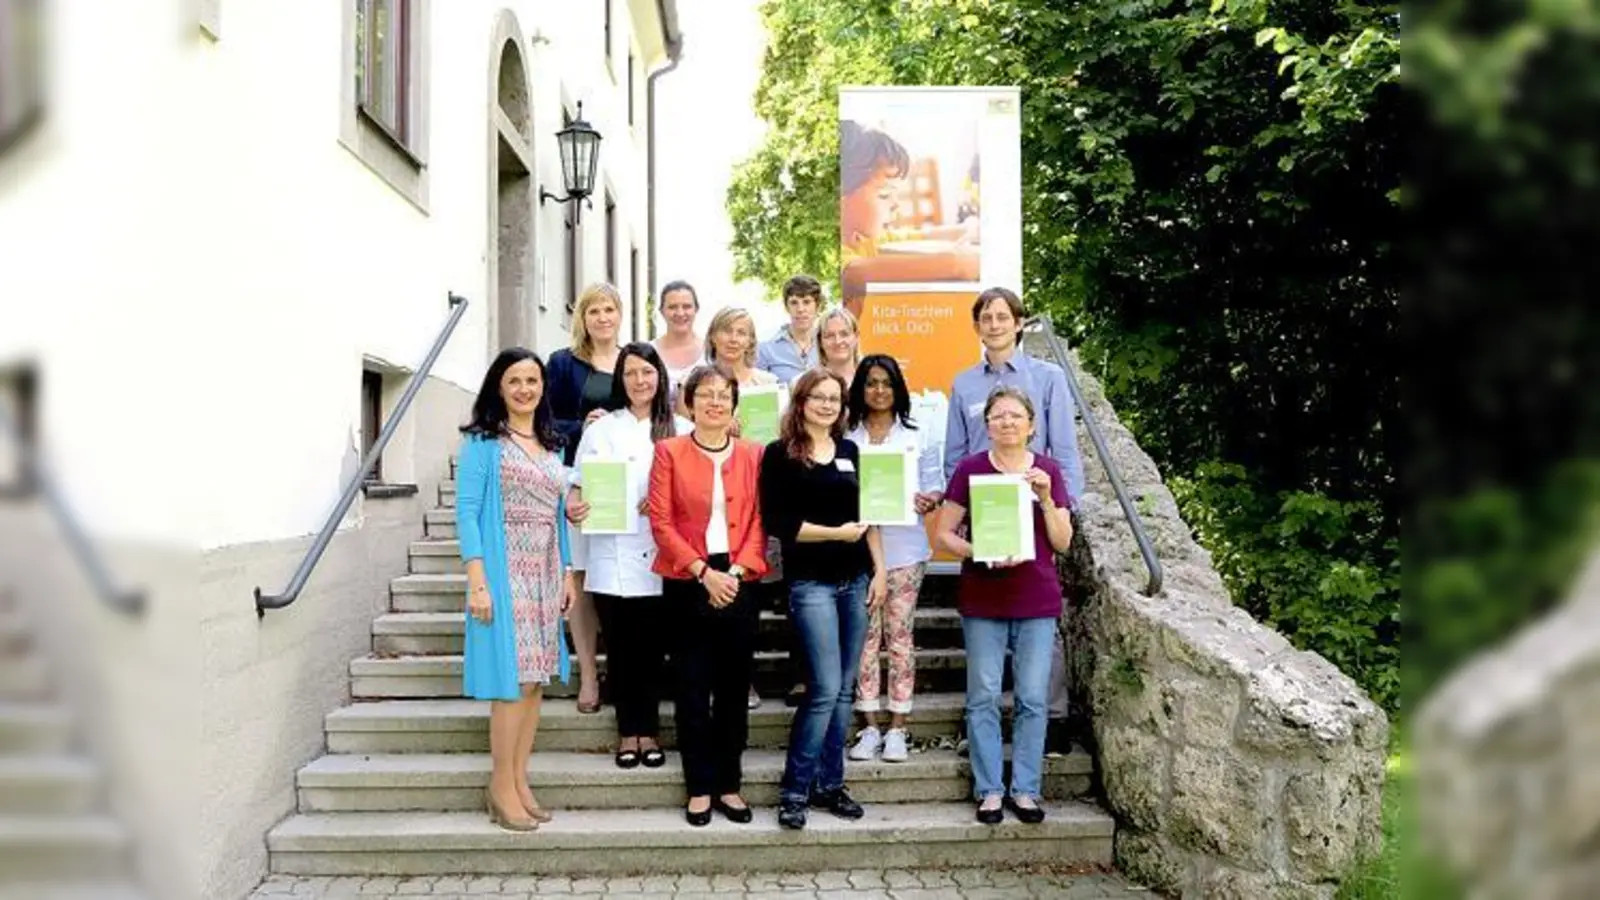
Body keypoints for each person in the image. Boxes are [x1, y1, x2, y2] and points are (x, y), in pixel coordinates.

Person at [944, 286, 1086, 754]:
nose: (995, 323)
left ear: (1019, 323)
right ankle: (979, 723)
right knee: (986, 618)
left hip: (1039, 510)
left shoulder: (1047, 378)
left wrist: (1064, 510)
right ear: (977, 326)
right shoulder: (964, 384)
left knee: (1040, 614)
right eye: (986, 317)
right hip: (984, 510)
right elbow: (955, 455)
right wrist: (961, 512)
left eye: (1003, 316)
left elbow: (1062, 449)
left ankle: (1054, 719)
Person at [934, 386, 1074, 825]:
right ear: (987, 424)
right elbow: (942, 535)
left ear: (1031, 426)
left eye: (1016, 416)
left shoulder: (1048, 470)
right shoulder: (970, 470)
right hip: (984, 598)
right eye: (998, 416)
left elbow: (1062, 541)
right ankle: (990, 790)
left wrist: (1048, 498)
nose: (1007, 422)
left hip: (1036, 599)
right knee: (984, 697)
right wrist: (979, 551)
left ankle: (1027, 790)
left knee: (1033, 698)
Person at [456, 348, 580, 832]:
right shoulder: (484, 442)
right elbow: (467, 512)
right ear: (499, 388)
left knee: (534, 682)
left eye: (533, 380)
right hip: (505, 571)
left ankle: (519, 779)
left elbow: (556, 515)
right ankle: (499, 786)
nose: (525, 389)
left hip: (546, 569)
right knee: (511, 684)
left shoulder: (553, 444)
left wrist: (567, 572)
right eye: (515, 381)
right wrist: (477, 582)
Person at [760, 369, 886, 830]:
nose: (828, 405)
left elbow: (870, 516)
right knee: (824, 689)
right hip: (810, 584)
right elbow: (779, 523)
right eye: (819, 397)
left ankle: (830, 785)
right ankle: (794, 791)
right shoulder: (780, 455)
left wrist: (882, 571)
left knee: (843, 693)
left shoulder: (851, 451)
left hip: (855, 580)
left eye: (835, 398)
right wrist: (835, 534)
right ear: (801, 401)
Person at [647, 364, 769, 827]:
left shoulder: (755, 455)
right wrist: (704, 573)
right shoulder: (669, 452)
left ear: (734, 405)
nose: (715, 402)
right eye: (706, 394)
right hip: (687, 580)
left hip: (739, 576)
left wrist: (733, 573)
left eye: (724, 395)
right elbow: (661, 523)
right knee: (692, 688)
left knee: (735, 689)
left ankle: (729, 784)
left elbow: (760, 521)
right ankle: (699, 787)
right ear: (690, 401)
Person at [567, 343, 690, 771]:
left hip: (664, 557)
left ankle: (650, 732)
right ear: (621, 379)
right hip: (611, 555)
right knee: (619, 649)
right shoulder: (601, 429)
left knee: (653, 650)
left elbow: (695, 492)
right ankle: (627, 733)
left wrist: (663, 502)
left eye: (648, 372)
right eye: (632, 373)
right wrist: (573, 505)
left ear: (661, 377)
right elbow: (579, 482)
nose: (640, 381)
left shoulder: (680, 427)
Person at [845, 355, 943, 763]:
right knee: (864, 641)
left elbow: (936, 483)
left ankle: (899, 726)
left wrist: (929, 499)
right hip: (856, 553)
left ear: (897, 387)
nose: (879, 390)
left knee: (900, 639)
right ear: (860, 389)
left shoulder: (917, 434)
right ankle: (868, 726)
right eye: (870, 383)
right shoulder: (847, 436)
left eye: (886, 383)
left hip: (906, 550)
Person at [546, 282, 626, 714]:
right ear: (582, 317)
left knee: (615, 576)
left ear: (619, 314)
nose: (602, 318)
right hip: (580, 477)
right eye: (593, 310)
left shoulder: (634, 360)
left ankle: (621, 669)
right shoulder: (563, 363)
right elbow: (541, 419)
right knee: (579, 577)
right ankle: (589, 677)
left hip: (625, 482)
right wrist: (582, 424)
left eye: (609, 309)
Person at [703, 305, 787, 710]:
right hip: (712, 503)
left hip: (758, 493)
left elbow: (784, 438)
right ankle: (727, 682)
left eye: (743, 332)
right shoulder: (700, 383)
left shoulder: (769, 383)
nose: (735, 339)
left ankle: (747, 678)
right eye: (727, 331)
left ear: (752, 341)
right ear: (714, 337)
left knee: (751, 595)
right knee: (718, 598)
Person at [838, 120, 981, 319]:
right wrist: (967, 260)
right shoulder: (847, 265)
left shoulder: (864, 239)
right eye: (885, 195)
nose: (896, 206)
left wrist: (970, 229)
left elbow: (922, 235)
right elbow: (954, 264)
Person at [755, 274, 824, 385]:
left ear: (818, 305)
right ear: (786, 306)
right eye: (794, 302)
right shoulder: (766, 347)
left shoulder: (828, 343)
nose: (800, 309)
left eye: (806, 302)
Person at [651, 280, 703, 410]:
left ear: (696, 309)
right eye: (672, 307)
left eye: (686, 306)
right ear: (662, 311)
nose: (680, 313)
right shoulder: (649, 352)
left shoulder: (711, 352)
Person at [818, 306, 861, 388]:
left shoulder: (871, 381)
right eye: (830, 335)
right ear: (820, 341)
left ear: (856, 337)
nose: (837, 341)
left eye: (844, 334)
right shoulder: (807, 384)